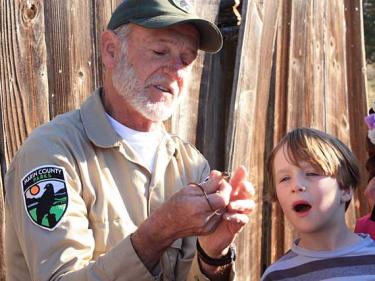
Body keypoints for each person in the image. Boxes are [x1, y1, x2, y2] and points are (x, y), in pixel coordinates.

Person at [4, 0, 255, 280]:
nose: (176, 70)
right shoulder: (52, 152)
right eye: (160, 51)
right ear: (111, 50)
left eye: (187, 59)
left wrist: (212, 256)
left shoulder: (191, 165)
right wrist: (161, 230)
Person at [261, 127, 375, 281]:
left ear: (346, 189)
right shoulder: (276, 276)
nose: (296, 185)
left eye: (312, 173)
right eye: (284, 178)